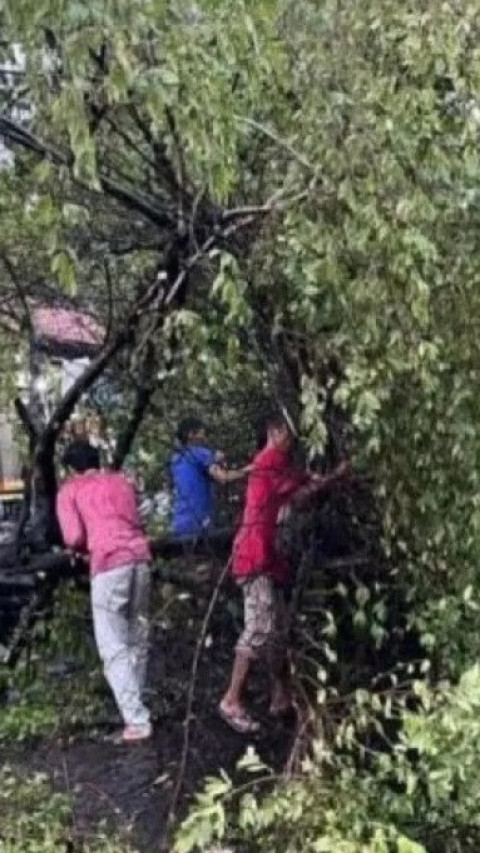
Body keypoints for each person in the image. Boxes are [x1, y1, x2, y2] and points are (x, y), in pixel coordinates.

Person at [219, 412, 350, 734]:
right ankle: (231, 699)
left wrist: (329, 477)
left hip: (266, 557)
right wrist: (334, 477)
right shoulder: (268, 461)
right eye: (288, 434)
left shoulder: (276, 464)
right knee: (260, 627)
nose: (292, 442)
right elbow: (302, 493)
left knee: (277, 630)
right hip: (254, 558)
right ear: (273, 431)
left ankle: (281, 695)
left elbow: (299, 490)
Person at [56, 439, 153, 744]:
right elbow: (139, 517)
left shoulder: (70, 490)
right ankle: (136, 705)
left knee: (112, 646)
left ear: (71, 468)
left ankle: (137, 721)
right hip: (140, 558)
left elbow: (73, 537)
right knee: (138, 635)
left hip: (109, 563)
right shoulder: (121, 481)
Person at [170, 417, 249, 537]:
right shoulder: (200, 453)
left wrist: (214, 460)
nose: (205, 437)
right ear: (191, 434)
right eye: (202, 433)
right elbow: (223, 477)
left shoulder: (176, 459)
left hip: (180, 522)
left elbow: (195, 476)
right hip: (200, 521)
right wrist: (249, 470)